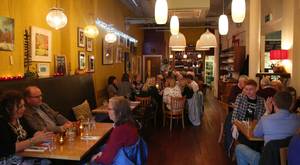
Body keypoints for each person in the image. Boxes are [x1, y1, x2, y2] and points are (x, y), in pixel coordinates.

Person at [235, 91, 300, 165]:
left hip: (267, 161)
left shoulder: (266, 119)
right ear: (291, 105)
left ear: (274, 103)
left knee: (239, 148)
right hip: (288, 161)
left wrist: (267, 112)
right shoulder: (298, 120)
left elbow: (255, 134)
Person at [0, 90, 53, 165]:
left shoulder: (20, 118)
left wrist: (39, 134)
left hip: (24, 156)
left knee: (48, 161)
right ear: (8, 109)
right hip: (8, 160)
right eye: (20, 106)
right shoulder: (2, 123)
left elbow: (31, 131)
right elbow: (8, 149)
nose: (24, 109)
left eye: (24, 105)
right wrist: (34, 140)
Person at [91, 96, 142, 165]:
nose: (107, 111)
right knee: (99, 148)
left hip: (122, 160)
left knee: (87, 160)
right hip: (129, 158)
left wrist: (95, 158)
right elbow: (112, 146)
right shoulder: (130, 123)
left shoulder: (120, 131)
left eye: (109, 109)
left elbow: (106, 160)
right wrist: (102, 153)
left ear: (119, 112)